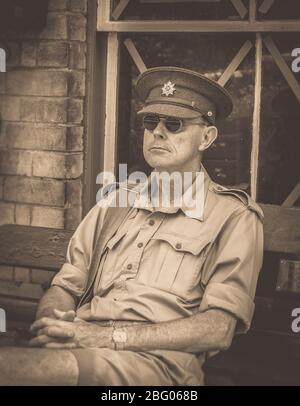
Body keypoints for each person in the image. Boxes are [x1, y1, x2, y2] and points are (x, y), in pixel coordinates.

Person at [0, 67, 264, 386]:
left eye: (174, 124)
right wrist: (54, 325)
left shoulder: (233, 217)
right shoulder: (116, 202)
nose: (158, 133)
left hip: (155, 367)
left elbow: (218, 329)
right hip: (80, 349)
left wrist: (108, 338)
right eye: (151, 122)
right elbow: (65, 286)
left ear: (206, 137)